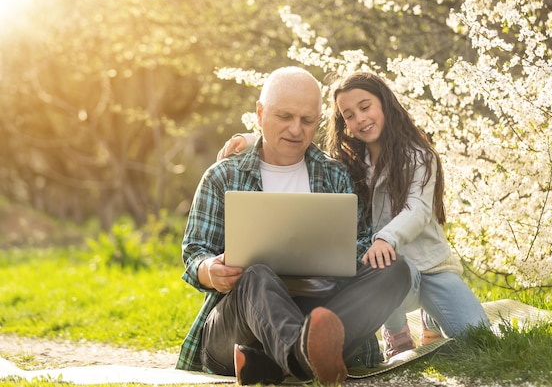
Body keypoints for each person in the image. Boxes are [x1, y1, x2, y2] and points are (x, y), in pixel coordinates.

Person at [219, 71, 490, 360]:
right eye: (348, 115)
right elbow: (299, 143)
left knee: (479, 339)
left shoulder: (419, 156)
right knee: (388, 268)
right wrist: (250, 139)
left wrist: (386, 238)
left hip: (430, 267)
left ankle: (431, 318)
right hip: (389, 269)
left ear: (385, 103)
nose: (359, 119)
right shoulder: (348, 162)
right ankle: (396, 332)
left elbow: (418, 209)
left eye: (365, 107)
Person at [176, 66, 411, 386]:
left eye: (307, 120)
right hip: (240, 324)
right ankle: (305, 360)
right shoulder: (223, 176)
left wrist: (342, 255)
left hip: (320, 305)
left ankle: (279, 365)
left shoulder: (336, 175)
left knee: (394, 269)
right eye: (284, 117)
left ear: (319, 120)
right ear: (259, 114)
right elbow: (194, 252)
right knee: (257, 272)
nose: (296, 130)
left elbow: (360, 242)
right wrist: (210, 270)